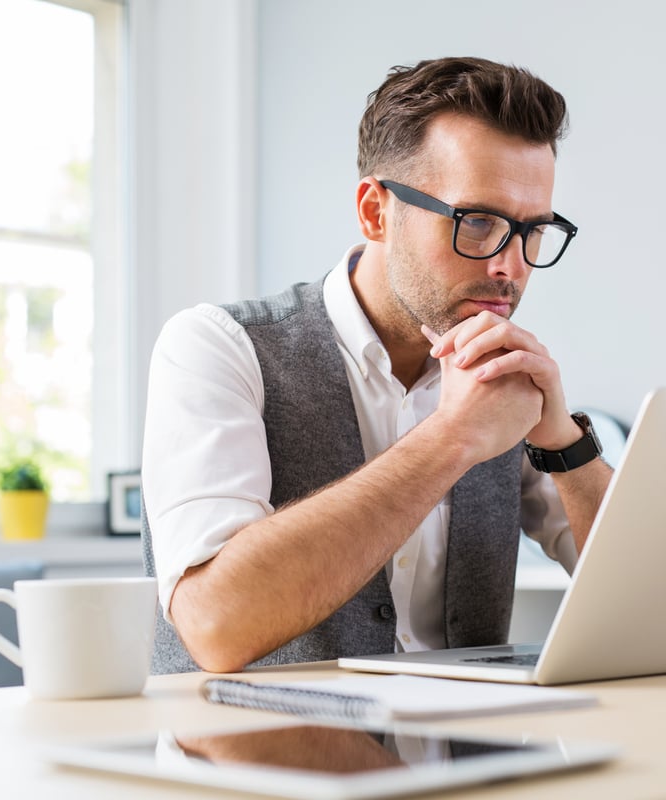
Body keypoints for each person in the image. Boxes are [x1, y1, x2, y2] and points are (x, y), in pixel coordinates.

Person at [141, 56, 613, 674]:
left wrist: (564, 444)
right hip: (258, 760)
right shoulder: (216, 347)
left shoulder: (504, 377)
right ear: (375, 212)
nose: (510, 266)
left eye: (533, 230)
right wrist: (452, 438)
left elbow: (660, 596)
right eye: (477, 223)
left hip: (466, 765)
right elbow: (216, 624)